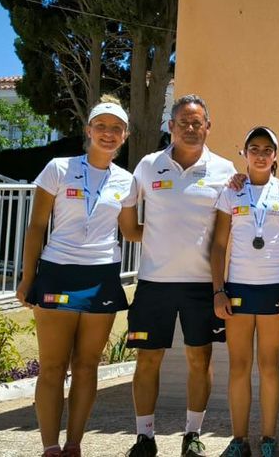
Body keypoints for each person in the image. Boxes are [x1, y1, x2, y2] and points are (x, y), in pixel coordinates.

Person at [15, 96, 141, 457]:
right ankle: (50, 447)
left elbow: (131, 231)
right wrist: (27, 278)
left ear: (125, 136)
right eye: (101, 126)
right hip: (57, 273)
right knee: (53, 366)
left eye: (116, 128)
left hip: (102, 276)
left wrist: (180, 227)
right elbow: (37, 226)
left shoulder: (127, 180)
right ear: (88, 130)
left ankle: (73, 445)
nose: (108, 133)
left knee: (86, 367)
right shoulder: (58, 168)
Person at [123, 95, 236, 457]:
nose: (190, 128)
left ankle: (193, 435)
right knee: (147, 360)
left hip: (202, 286)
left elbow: (231, 227)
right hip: (153, 283)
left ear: (208, 127)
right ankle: (145, 438)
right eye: (183, 122)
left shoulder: (224, 170)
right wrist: (159, 236)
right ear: (170, 126)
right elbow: (129, 226)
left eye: (197, 122)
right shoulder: (147, 166)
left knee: (199, 360)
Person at [211, 126, 279, 457]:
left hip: (273, 290)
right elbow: (218, 245)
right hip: (237, 289)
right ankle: (239, 440)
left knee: (269, 366)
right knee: (238, 366)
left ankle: (268, 439)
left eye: (267, 149)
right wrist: (218, 290)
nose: (261, 155)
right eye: (254, 149)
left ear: (275, 155)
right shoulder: (231, 191)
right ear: (245, 153)